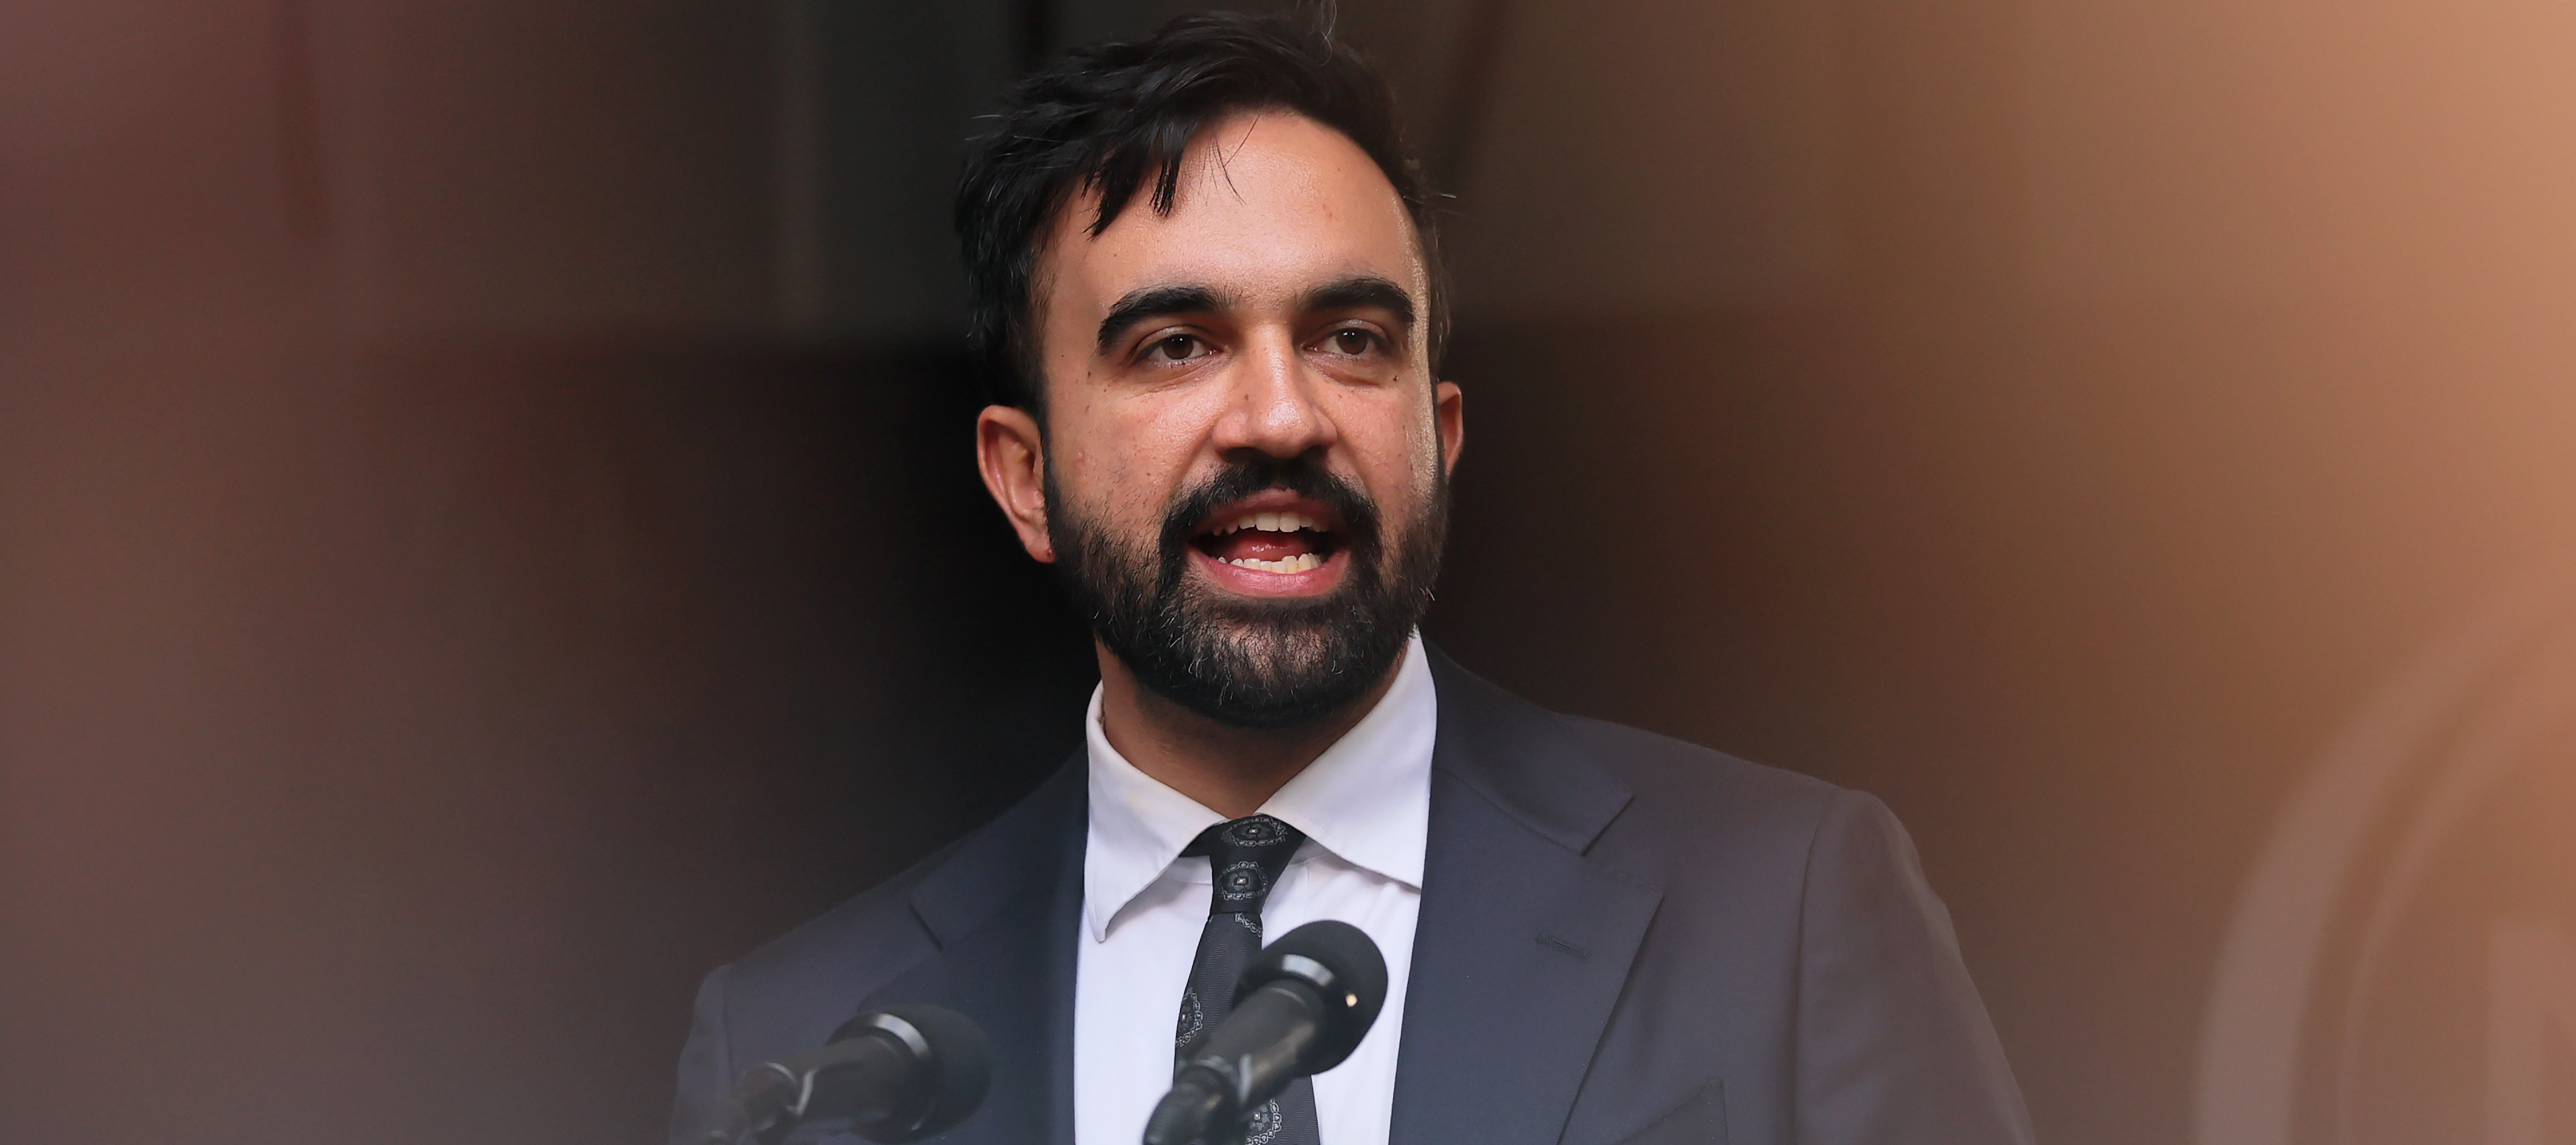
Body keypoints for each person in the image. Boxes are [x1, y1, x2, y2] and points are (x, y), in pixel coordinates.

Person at [669, 13, 2033, 1145]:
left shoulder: (1778, 914)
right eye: (1175, 345)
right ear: (1026, 478)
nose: (1280, 415)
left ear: (1438, 439)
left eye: (1351, 337)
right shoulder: (809, 1047)